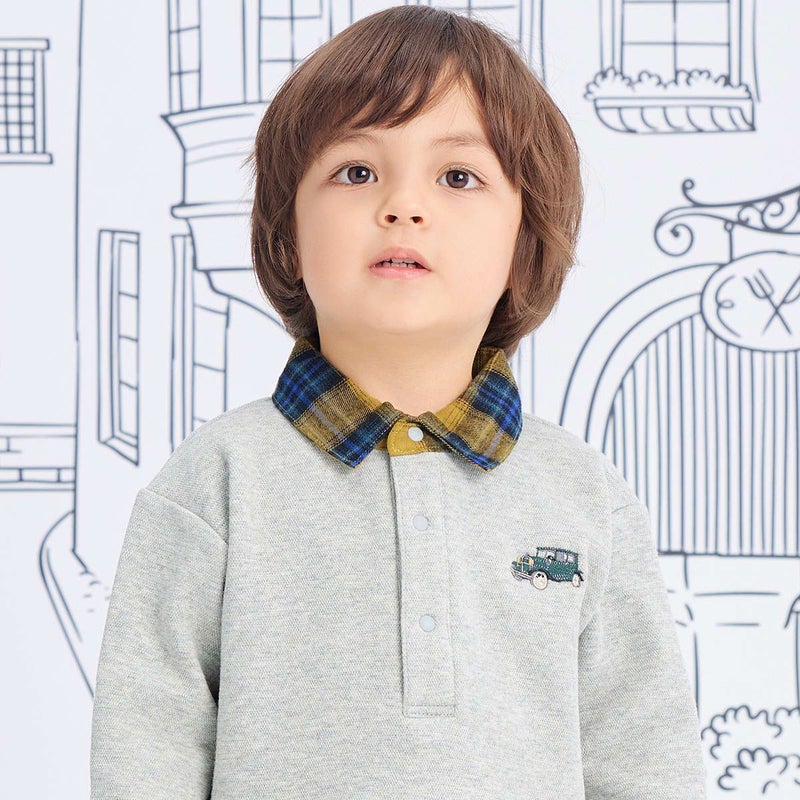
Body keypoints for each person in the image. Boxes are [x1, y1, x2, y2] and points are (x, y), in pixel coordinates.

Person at [89, 6, 707, 799]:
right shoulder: (216, 480)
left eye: (458, 177)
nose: (403, 206)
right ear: (288, 236)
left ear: (524, 245)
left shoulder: (584, 492)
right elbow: (147, 740)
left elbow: (646, 751)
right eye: (356, 172)